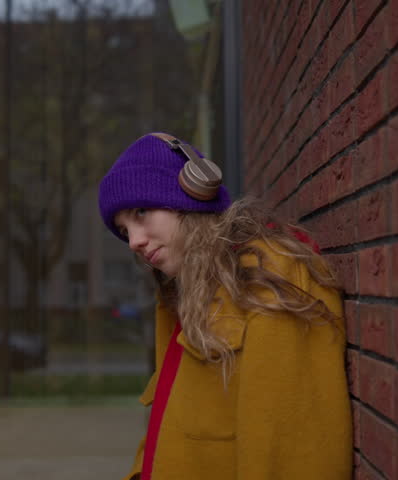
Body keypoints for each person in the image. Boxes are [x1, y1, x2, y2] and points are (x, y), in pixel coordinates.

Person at [98, 133, 352, 480]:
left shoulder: (271, 275)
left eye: (141, 212)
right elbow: (166, 427)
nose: (134, 242)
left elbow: (291, 453)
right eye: (124, 230)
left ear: (192, 192)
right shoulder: (181, 293)